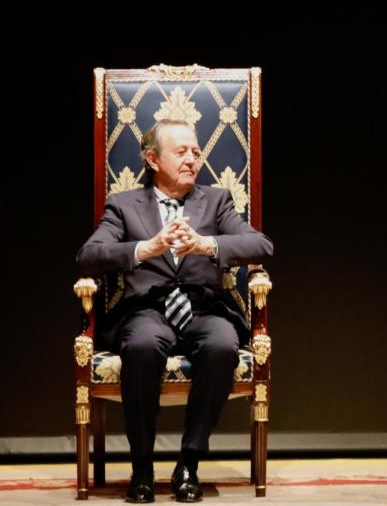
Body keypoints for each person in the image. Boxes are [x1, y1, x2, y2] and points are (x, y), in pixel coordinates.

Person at [77, 118, 273, 503]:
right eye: (181, 152)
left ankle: (189, 462)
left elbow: (262, 246)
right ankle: (143, 467)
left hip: (203, 309)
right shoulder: (124, 205)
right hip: (147, 310)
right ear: (152, 159)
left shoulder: (216, 200)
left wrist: (207, 245)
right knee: (143, 346)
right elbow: (88, 256)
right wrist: (144, 249)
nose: (191, 160)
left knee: (221, 344)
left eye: (196, 152)